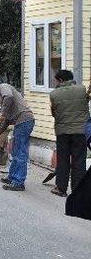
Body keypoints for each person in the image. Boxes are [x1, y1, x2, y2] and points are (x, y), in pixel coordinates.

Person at [0, 77, 35, 191]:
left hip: (24, 121)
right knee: (14, 151)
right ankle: (12, 177)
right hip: (21, 122)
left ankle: (18, 182)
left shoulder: (3, 88)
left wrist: (2, 113)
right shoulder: (4, 99)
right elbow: (6, 121)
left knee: (20, 152)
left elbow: (9, 97)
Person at [49, 69, 89, 197]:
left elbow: (54, 113)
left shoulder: (54, 94)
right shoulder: (82, 89)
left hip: (63, 132)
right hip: (81, 131)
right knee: (79, 160)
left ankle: (61, 188)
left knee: (63, 160)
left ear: (60, 80)